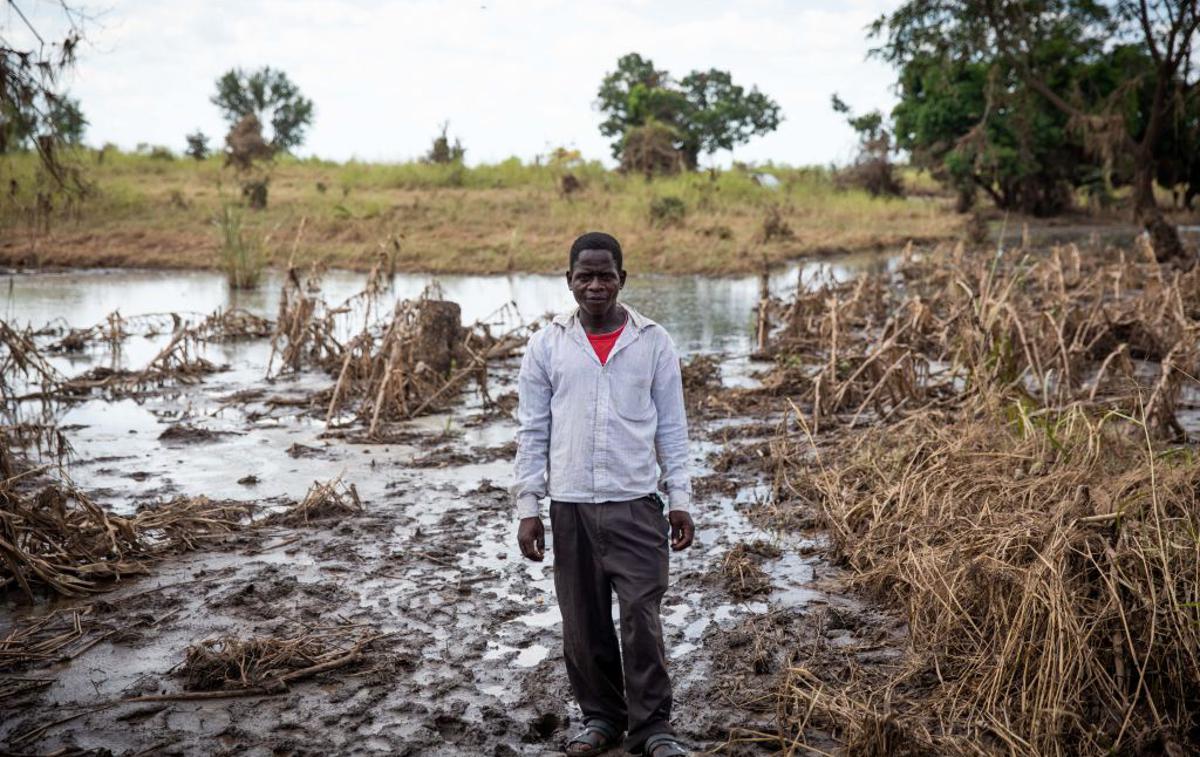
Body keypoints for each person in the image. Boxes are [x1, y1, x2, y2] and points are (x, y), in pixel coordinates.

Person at [513, 231, 696, 757]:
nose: (595, 286)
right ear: (568, 281)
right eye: (584, 276)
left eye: (605, 275)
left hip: (637, 503)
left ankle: (653, 728)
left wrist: (679, 498)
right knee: (583, 622)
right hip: (569, 506)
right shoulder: (547, 343)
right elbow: (532, 432)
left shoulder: (653, 340)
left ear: (623, 278)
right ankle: (600, 719)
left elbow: (672, 429)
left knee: (641, 616)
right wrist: (530, 507)